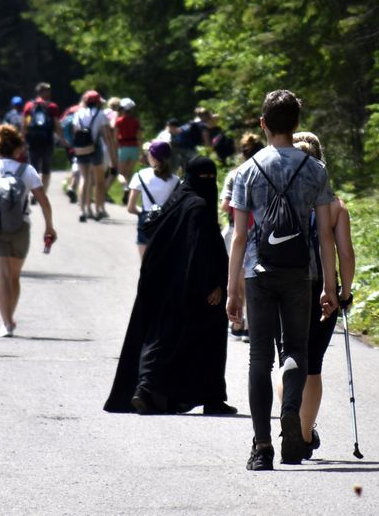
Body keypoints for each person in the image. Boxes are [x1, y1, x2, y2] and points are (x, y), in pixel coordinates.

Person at [226, 89, 336, 471]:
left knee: (259, 357)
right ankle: (291, 409)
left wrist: (233, 290)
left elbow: (239, 236)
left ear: (263, 124)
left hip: (258, 273)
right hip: (299, 273)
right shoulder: (315, 169)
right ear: (296, 124)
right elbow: (325, 235)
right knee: (295, 351)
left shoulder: (248, 170)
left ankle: (262, 448)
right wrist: (329, 286)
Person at [105, 156, 237, 416]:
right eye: (206, 178)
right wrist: (211, 284)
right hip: (196, 289)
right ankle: (201, 396)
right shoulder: (198, 206)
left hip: (169, 284)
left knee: (169, 338)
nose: (208, 182)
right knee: (203, 341)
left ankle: (158, 391)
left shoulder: (177, 200)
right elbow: (199, 247)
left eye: (211, 178)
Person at [286, 131, 355, 459]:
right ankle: (302, 434)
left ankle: (287, 414)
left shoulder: (280, 197)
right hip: (321, 287)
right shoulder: (336, 205)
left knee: (288, 358)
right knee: (312, 364)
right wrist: (344, 291)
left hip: (284, 283)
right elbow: (346, 254)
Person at [0, 125, 58, 337]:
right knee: (14, 277)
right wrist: (49, 226)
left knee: (1, 277)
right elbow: (43, 201)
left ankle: (6, 323)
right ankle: (10, 316)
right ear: (18, 149)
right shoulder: (28, 171)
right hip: (20, 227)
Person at [220, 132, 266, 340]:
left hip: (236, 230)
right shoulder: (265, 173)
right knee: (252, 279)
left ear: (243, 153)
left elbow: (224, 205)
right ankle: (249, 325)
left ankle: (237, 323)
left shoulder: (235, 174)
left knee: (237, 278)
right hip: (260, 231)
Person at [126, 141, 179, 257]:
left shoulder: (140, 175)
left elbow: (130, 208)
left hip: (146, 222)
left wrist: (143, 213)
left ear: (152, 156)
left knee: (145, 264)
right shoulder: (176, 180)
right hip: (167, 223)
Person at [72, 90, 114, 222]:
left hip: (81, 149)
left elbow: (75, 132)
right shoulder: (101, 114)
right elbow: (107, 136)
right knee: (99, 181)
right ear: (97, 102)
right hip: (95, 149)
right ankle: (98, 209)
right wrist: (112, 156)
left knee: (84, 178)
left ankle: (82, 210)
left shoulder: (78, 113)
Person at [22, 82, 64, 192]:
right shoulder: (52, 106)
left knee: (33, 168)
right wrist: (62, 139)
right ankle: (43, 192)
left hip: (33, 141)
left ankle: (34, 193)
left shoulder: (29, 106)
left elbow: (25, 124)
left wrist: (23, 139)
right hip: (47, 141)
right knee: (46, 169)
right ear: (45, 92)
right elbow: (56, 124)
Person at [114, 98, 142, 204]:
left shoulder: (119, 121)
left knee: (120, 173)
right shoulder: (136, 121)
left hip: (123, 148)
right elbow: (139, 137)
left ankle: (125, 187)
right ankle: (128, 195)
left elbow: (115, 137)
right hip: (134, 148)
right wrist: (141, 152)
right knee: (129, 173)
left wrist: (115, 149)